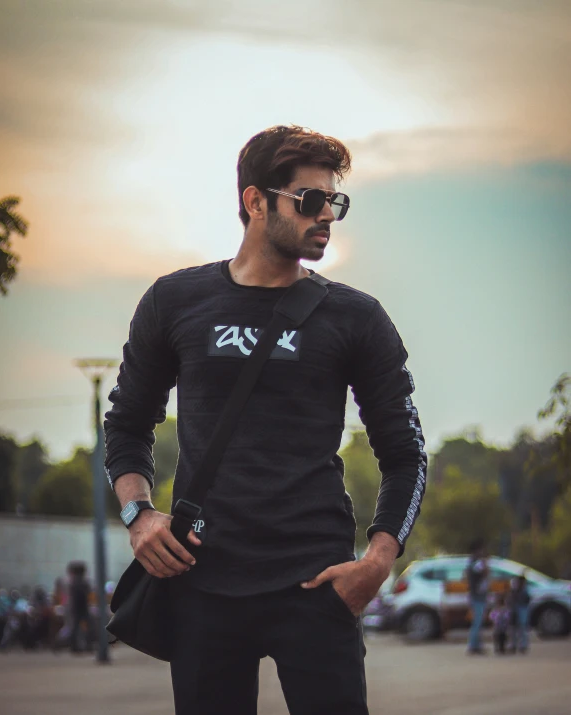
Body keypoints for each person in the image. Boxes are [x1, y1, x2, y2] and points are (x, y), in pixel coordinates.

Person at [104, 125, 427, 715]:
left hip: (318, 582)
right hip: (201, 578)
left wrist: (378, 561)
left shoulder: (356, 317)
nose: (326, 214)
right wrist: (139, 513)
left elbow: (405, 453)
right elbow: (126, 425)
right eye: (310, 200)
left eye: (335, 201)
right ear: (256, 202)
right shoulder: (174, 302)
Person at [466, 539, 489, 655]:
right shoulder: (476, 563)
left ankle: (476, 645)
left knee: (478, 621)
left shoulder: (472, 562)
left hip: (477, 595)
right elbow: (485, 572)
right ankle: (473, 646)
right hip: (478, 596)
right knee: (477, 622)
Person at [509, 573, 531, 654]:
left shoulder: (524, 591)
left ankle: (522, 645)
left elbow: (527, 599)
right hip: (516, 609)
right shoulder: (514, 590)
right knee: (514, 628)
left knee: (522, 627)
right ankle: (514, 644)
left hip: (522, 608)